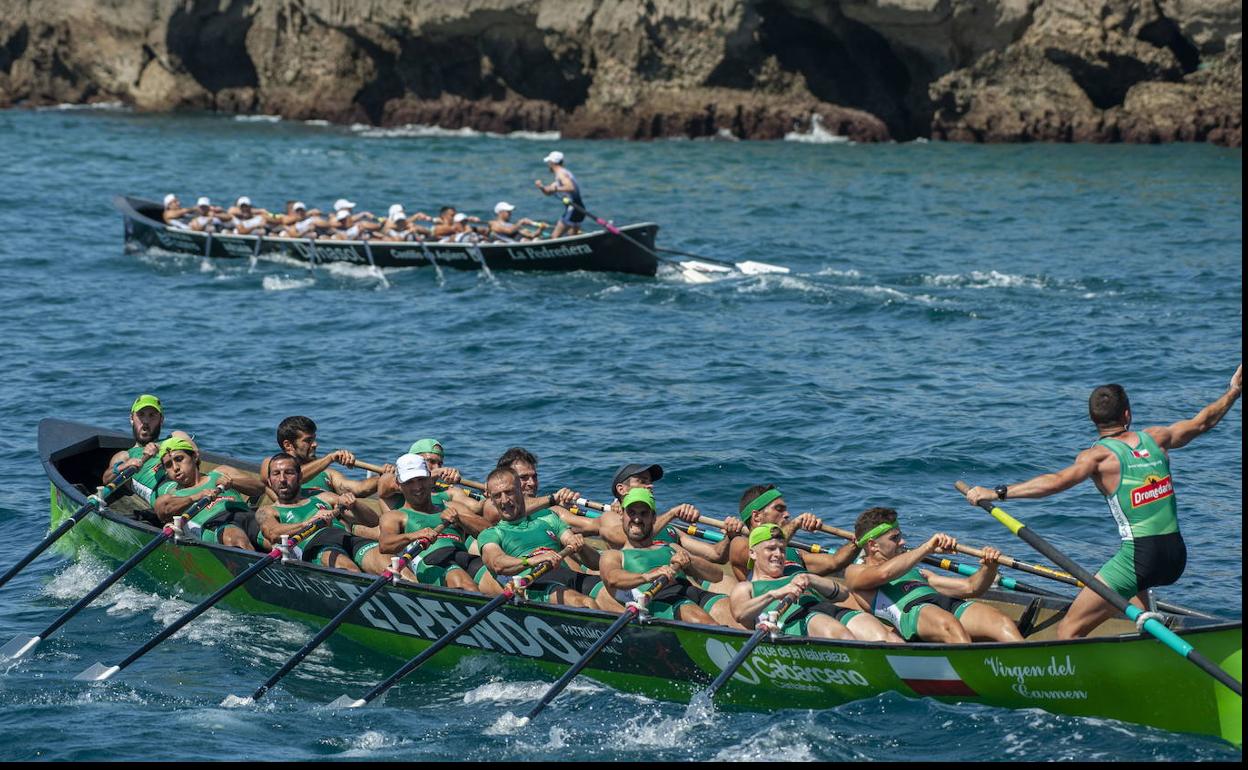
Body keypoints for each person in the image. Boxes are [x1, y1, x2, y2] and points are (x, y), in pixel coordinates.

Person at [964, 365, 1243, 639]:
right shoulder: (1158, 438)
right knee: (1134, 587)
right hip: (1176, 556)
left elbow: (1055, 482)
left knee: (1068, 630)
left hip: (1140, 557)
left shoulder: (1097, 457)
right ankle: (1148, 642)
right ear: (1127, 414)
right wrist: (1233, 391)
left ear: (1094, 420)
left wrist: (997, 492)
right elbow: (1204, 421)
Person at [843, 507, 1023, 643]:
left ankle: (1031, 667)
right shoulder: (855, 571)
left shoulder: (917, 571)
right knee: (950, 626)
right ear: (873, 545)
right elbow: (883, 574)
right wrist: (927, 548)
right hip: (913, 611)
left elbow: (971, 587)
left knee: (1001, 621)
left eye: (900, 535)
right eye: (894, 538)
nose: (902, 541)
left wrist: (989, 568)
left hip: (941, 602)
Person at [730, 524, 903, 642]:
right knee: (841, 636)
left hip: (829, 609)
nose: (779, 554)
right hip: (795, 618)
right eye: (771, 548)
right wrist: (774, 594)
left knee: (887, 638)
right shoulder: (746, 587)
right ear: (752, 554)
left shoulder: (797, 574)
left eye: (782, 549)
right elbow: (740, 613)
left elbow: (842, 593)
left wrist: (812, 580)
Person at [477, 466, 617, 608]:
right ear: (491, 499)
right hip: (533, 582)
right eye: (497, 495)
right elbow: (497, 563)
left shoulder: (547, 517)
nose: (504, 500)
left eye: (509, 492)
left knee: (613, 595)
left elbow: (592, 561)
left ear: (520, 490)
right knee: (585, 603)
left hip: (566, 574)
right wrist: (531, 560)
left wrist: (580, 546)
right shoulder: (491, 534)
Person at [598, 488, 732, 626]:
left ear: (654, 518)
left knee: (728, 607)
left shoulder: (670, 547)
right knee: (697, 618)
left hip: (692, 591)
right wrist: (648, 576)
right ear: (622, 516)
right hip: (659, 598)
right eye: (631, 513)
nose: (637, 519)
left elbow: (717, 576)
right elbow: (612, 579)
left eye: (643, 513)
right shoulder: (614, 555)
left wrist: (689, 561)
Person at [255, 453, 393, 574]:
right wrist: (309, 522)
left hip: (348, 539)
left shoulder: (323, 497)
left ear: (300, 477)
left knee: (391, 568)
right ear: (269, 481)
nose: (282, 479)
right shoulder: (267, 511)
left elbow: (373, 521)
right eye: (276, 474)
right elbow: (273, 533)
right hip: (317, 546)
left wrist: (355, 505)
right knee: (351, 571)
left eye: (289, 472)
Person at [377, 454, 498, 590]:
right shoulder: (395, 516)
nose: (417, 487)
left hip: (463, 556)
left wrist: (460, 519)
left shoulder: (452, 506)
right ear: (399, 485)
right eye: (410, 482)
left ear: (430, 479)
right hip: (430, 560)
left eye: (421, 479)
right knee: (466, 585)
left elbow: (489, 531)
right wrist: (414, 535)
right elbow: (384, 544)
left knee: (498, 584)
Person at [727, 485, 861, 582]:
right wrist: (796, 524)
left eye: (786, 509)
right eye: (779, 509)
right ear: (756, 517)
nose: (787, 514)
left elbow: (835, 562)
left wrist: (857, 541)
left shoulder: (796, 553)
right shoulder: (741, 544)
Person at [152, 437, 266, 550]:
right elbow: (162, 510)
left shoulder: (221, 472)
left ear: (195, 457)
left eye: (179, 459)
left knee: (274, 535)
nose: (175, 467)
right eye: (168, 465)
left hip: (246, 514)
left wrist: (233, 482)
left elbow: (260, 488)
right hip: (217, 525)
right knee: (234, 538)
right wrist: (196, 497)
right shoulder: (173, 494)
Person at [260, 416, 390, 501]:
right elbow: (295, 477)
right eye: (308, 441)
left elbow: (360, 489)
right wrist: (330, 458)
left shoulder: (328, 474)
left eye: (314, 439)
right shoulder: (271, 465)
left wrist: (383, 476)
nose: (315, 444)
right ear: (288, 445)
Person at [102, 394, 189, 507]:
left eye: (152, 415)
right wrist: (126, 465)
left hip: (193, 483)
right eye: (141, 415)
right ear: (132, 418)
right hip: (167, 494)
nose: (146, 421)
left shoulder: (175, 437)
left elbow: (194, 452)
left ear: (161, 420)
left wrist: (161, 448)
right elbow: (106, 479)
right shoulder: (125, 456)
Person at [487, 447, 597, 534]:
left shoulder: (552, 510)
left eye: (534, 477)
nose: (532, 483)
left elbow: (591, 526)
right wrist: (553, 500)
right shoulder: (493, 505)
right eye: (523, 478)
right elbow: (497, 514)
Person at [534, 151, 585, 239]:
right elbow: (549, 192)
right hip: (579, 209)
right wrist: (541, 187)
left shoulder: (561, 174)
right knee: (572, 237)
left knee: (554, 237)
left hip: (573, 209)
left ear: (552, 163)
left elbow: (570, 187)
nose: (548, 165)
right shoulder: (564, 173)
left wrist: (555, 189)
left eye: (548, 163)